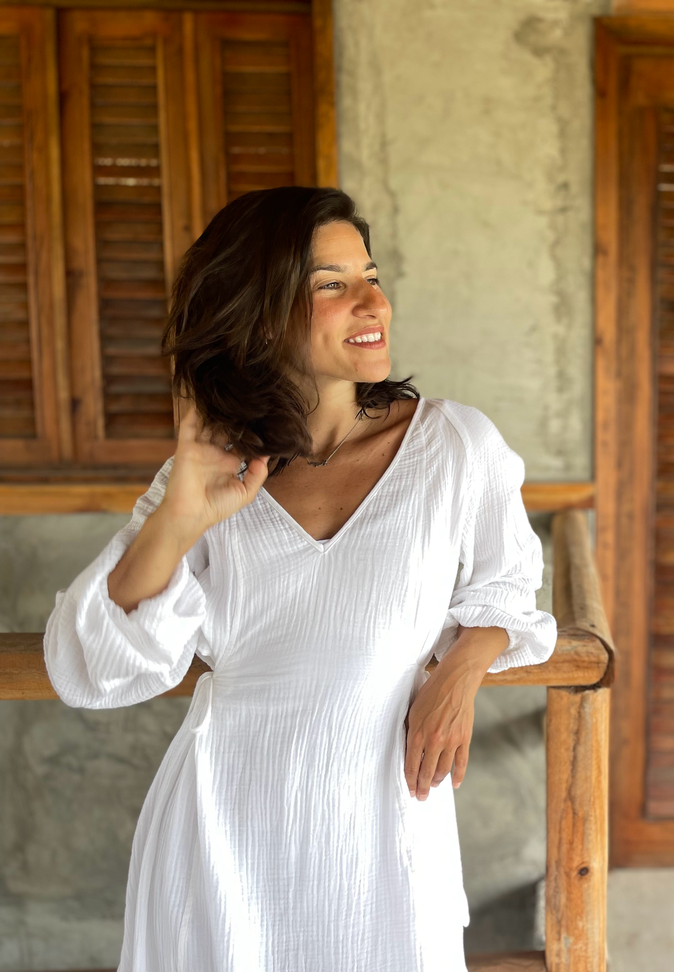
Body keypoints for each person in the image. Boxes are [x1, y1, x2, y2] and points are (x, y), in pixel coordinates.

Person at [43, 186, 557, 972]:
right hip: (222, 841)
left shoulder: (454, 445)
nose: (373, 302)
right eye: (332, 285)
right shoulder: (207, 471)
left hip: (383, 838)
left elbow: (507, 587)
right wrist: (180, 516)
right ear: (261, 314)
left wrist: (459, 671)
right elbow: (98, 668)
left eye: (371, 276)